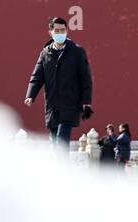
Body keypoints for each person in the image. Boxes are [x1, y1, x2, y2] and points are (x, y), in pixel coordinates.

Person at [24, 16, 93, 149]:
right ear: (50, 32)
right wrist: (30, 95)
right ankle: (60, 168)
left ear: (66, 31)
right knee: (55, 144)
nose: (60, 33)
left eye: (63, 30)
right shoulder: (45, 53)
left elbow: (85, 78)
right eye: (57, 31)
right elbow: (37, 76)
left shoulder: (77, 52)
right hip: (52, 106)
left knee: (61, 142)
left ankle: (62, 167)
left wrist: (86, 102)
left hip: (70, 104)